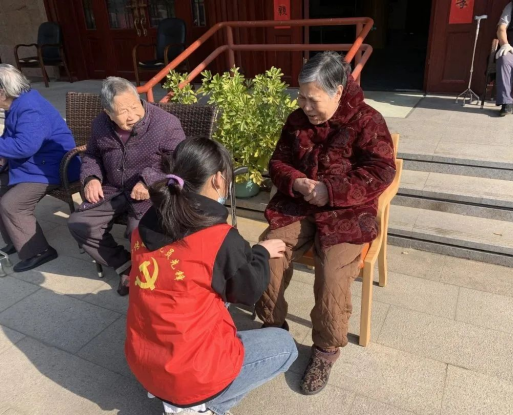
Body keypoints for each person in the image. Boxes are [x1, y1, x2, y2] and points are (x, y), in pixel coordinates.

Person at [255, 52, 397, 395]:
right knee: (268, 255)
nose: (305, 106)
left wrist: (330, 190)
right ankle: (273, 328)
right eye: (301, 97)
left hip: (347, 212)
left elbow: (382, 171)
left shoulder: (368, 120)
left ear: (337, 92)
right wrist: (297, 182)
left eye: (313, 99)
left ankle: (326, 349)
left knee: (333, 274)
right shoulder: (296, 120)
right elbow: (277, 163)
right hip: (298, 205)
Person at [125, 137, 297, 415]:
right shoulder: (219, 238)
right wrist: (260, 253)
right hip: (190, 375)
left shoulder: (144, 225)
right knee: (285, 346)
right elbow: (248, 291)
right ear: (218, 179)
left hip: (142, 360)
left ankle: (174, 395)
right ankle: (204, 408)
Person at [68, 77, 185, 296]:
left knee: (138, 233)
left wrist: (149, 180)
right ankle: (124, 265)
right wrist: (91, 178)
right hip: (113, 188)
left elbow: (179, 160)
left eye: (135, 106)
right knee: (79, 223)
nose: (132, 115)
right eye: (123, 112)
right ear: (108, 113)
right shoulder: (100, 124)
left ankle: (147, 274)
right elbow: (92, 154)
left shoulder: (166, 123)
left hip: (150, 194)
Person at [0, 64, 79, 272]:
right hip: (32, 163)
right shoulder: (14, 104)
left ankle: (38, 251)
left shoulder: (29, 107)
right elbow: (11, 138)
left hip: (53, 167)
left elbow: (25, 146)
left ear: (2, 92)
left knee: (12, 203)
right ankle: (16, 239)